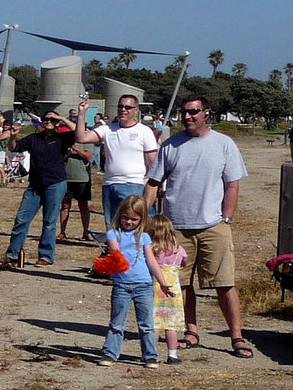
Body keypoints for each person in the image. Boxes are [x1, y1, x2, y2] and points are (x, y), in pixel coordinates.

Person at [143, 95, 250, 358]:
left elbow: (232, 185)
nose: (188, 117)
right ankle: (190, 331)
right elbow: (154, 183)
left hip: (214, 225)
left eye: (194, 112)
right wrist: (143, 218)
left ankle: (236, 336)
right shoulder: (171, 145)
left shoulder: (224, 144)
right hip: (175, 228)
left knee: (224, 283)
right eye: (184, 112)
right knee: (180, 284)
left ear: (206, 113)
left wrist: (227, 217)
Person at [98, 195, 167, 368]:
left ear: (142, 219)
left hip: (143, 285)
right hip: (121, 285)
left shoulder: (144, 237)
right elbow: (114, 249)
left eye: (134, 219)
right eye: (125, 217)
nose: (129, 222)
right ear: (119, 216)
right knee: (116, 322)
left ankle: (150, 355)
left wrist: (162, 281)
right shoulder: (113, 234)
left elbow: (151, 260)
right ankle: (110, 353)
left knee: (146, 323)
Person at [75, 95, 158, 233]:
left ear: (136, 110)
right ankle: (115, 253)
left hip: (134, 185)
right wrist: (82, 114)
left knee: (133, 227)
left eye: (128, 107)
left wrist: (151, 186)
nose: (123, 110)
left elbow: (152, 163)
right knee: (112, 227)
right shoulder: (107, 129)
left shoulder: (144, 132)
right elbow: (81, 138)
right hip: (109, 184)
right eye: (120, 106)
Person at [4, 111, 76, 267]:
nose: (48, 121)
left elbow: (80, 132)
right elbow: (13, 147)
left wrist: (63, 118)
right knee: (21, 219)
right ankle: (13, 254)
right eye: (46, 119)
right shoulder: (33, 139)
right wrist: (13, 136)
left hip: (55, 183)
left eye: (52, 119)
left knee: (49, 221)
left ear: (57, 122)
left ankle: (46, 256)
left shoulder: (62, 138)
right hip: (35, 184)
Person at [148, 213, 187, 365]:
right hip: (173, 291)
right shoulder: (178, 250)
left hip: (155, 290)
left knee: (155, 323)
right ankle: (173, 354)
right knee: (171, 324)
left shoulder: (151, 250)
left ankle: (152, 352)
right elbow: (184, 262)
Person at [58, 133, 96, 242]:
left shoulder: (87, 141)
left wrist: (75, 148)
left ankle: (85, 232)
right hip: (66, 177)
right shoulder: (64, 141)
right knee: (65, 205)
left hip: (82, 178)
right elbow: (60, 159)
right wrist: (68, 153)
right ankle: (62, 232)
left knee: (83, 206)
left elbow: (88, 156)